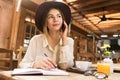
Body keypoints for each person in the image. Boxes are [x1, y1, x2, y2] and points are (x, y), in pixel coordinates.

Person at [19, 1, 74, 70]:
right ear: (45, 22)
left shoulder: (69, 41)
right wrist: (35, 64)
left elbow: (67, 66)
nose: (55, 19)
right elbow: (22, 65)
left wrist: (64, 39)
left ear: (63, 21)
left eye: (59, 16)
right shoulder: (36, 40)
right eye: (51, 17)